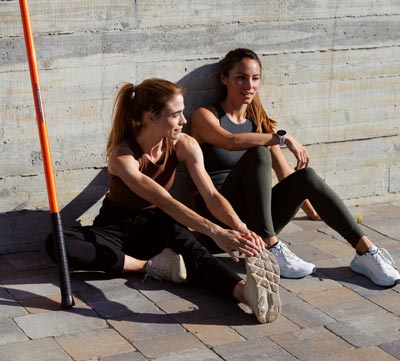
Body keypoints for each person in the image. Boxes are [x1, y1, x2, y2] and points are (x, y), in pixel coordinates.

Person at [45, 78, 281, 323]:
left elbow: (211, 195)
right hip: (116, 225)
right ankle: (149, 266)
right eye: (176, 115)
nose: (184, 121)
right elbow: (165, 200)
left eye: (183, 112)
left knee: (195, 252)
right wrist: (215, 231)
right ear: (151, 117)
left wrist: (240, 229)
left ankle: (245, 294)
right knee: (58, 244)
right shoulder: (123, 156)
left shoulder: (184, 145)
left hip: (157, 222)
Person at [190, 48, 400, 286]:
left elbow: (285, 174)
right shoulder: (204, 116)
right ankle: (271, 247)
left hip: (256, 219)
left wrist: (310, 206)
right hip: (219, 217)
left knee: (306, 175)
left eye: (255, 78)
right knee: (259, 152)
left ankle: (366, 252)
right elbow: (230, 141)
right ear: (224, 78)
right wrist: (283, 138)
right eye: (241, 77)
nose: (249, 85)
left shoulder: (257, 121)